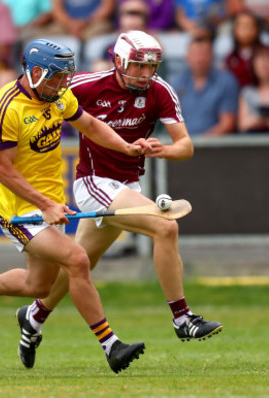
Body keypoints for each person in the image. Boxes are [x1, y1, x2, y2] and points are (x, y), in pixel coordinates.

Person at [13, 31, 224, 369]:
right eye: (138, 66)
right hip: (93, 182)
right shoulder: (88, 84)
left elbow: (185, 146)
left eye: (150, 66)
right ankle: (183, 319)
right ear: (119, 62)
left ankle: (33, 318)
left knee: (78, 263)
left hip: (128, 186)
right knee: (164, 227)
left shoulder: (160, 90)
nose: (145, 73)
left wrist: (164, 149)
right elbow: (37, 91)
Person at [0, 38, 150, 374]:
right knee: (78, 259)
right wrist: (44, 204)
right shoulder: (5, 107)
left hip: (50, 203)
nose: (63, 84)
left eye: (65, 77)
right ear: (36, 72)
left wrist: (125, 147)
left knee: (38, 285)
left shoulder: (58, 95)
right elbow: (5, 171)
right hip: (21, 212)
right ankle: (111, 345)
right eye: (57, 77)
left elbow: (91, 125)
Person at [171, 31, 239, 137]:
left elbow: (227, 123)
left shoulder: (226, 82)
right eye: (195, 54)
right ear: (187, 57)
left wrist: (201, 143)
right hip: (182, 146)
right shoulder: (177, 84)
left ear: (212, 56)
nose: (199, 59)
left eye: (203, 54)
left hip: (217, 147)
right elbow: (170, 121)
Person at [238, 46, 269, 132]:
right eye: (259, 60)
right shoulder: (247, 92)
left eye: (267, 59)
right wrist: (258, 120)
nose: (264, 63)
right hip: (251, 141)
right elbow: (242, 125)